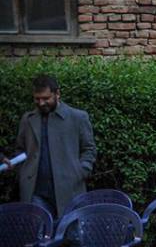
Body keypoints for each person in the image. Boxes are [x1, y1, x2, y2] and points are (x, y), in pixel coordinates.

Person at [1, 74, 96, 217]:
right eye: (37, 99)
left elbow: (89, 149)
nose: (41, 103)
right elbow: (20, 149)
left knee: (71, 230)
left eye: (46, 98)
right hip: (35, 192)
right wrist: (22, 173)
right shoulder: (27, 119)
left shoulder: (78, 117)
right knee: (39, 230)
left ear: (57, 94)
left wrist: (80, 171)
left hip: (69, 190)